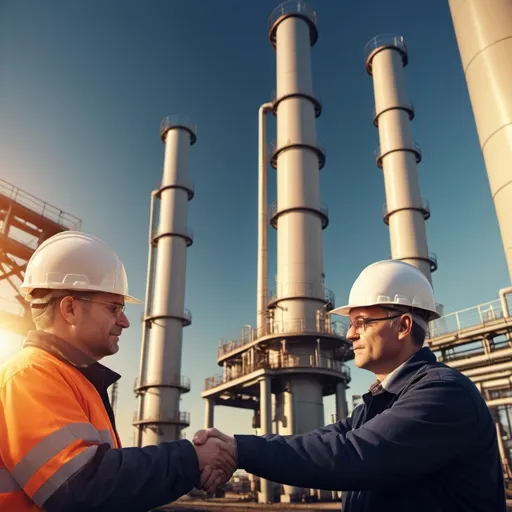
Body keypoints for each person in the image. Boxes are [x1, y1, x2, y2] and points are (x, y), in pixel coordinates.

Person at [193, 260, 507, 511]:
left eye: (361, 323)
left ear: (403, 326)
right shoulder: (378, 403)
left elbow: (352, 455)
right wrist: (235, 446)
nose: (350, 335)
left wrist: (239, 451)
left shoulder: (443, 394)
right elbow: (324, 440)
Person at [0, 231, 234, 512]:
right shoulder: (29, 375)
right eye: (114, 308)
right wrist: (193, 459)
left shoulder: (75, 380)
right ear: (70, 308)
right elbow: (82, 485)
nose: (124, 322)